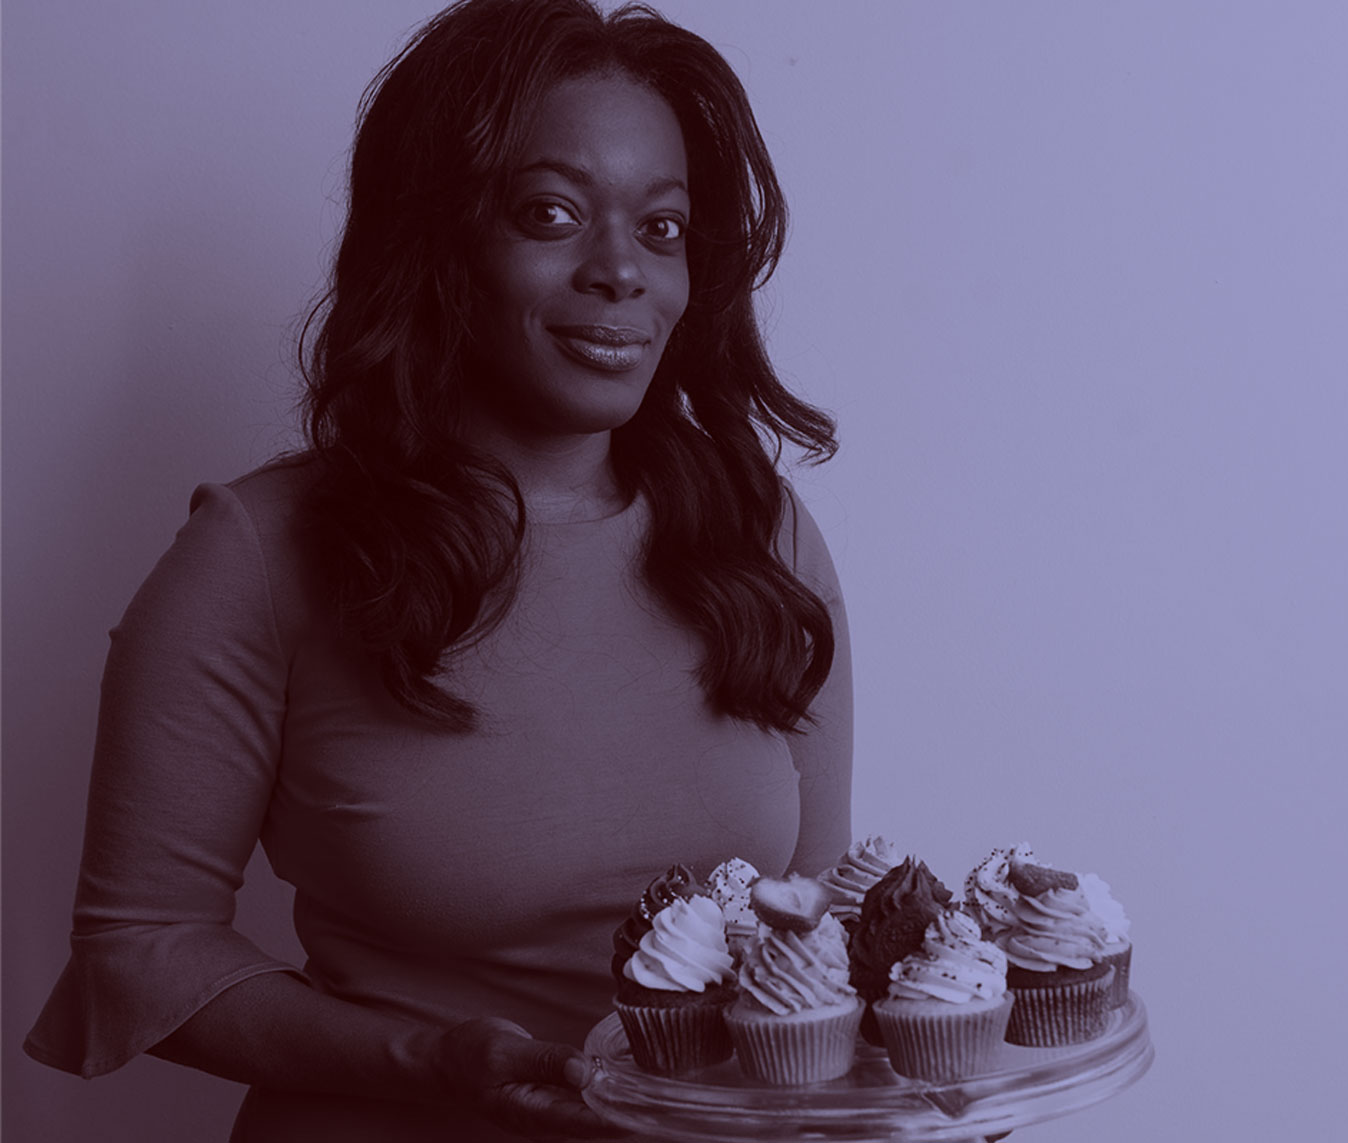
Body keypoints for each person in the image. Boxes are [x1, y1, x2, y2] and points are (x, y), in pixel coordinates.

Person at [21, 1, 853, 1138]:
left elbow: (810, 930)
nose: (620, 272)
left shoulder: (758, 534)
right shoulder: (259, 554)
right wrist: (426, 1062)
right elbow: (142, 948)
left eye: (663, 228)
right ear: (439, 239)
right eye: (550, 214)